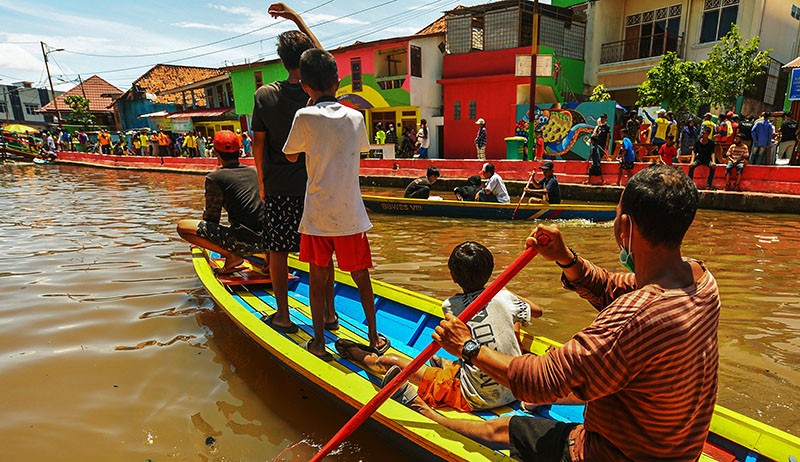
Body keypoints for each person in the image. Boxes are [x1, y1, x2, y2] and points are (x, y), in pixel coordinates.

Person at [423, 164, 720, 461]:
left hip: (613, 454)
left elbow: (538, 382)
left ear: (625, 227)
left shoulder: (633, 318)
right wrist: (566, 259)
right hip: (674, 449)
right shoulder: (701, 279)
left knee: (508, 427)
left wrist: (468, 347)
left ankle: (433, 422)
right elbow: (614, 288)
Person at [335, 241, 540, 412]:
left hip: (476, 397)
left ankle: (357, 354)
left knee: (391, 361)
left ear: (452, 276)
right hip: (516, 388)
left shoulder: (450, 306)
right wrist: (502, 290)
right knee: (442, 357)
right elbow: (536, 311)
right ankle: (446, 368)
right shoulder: (504, 297)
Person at [284, 48, 388, 360]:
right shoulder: (356, 117)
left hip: (317, 215)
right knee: (362, 279)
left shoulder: (303, 116)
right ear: (337, 82)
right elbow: (363, 149)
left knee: (317, 281)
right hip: (351, 216)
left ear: (305, 86)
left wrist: (307, 110)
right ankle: (373, 335)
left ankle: (318, 341)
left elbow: (290, 155)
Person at [252, 3, 323, 335]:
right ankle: (329, 314)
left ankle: (283, 315)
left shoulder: (265, 95)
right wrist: (296, 18)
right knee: (319, 252)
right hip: (314, 185)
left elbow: (258, 144)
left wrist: (261, 181)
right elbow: (324, 57)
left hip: (279, 186)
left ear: (281, 60)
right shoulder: (317, 93)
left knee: (277, 251)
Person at [176, 130, 264, 274]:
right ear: (239, 151)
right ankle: (269, 259)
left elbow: (212, 217)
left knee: (182, 226)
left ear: (216, 153)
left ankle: (232, 256)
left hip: (244, 242)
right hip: (270, 242)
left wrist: (202, 241)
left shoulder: (215, 178)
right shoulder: (255, 171)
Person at [688, 125, 717, 189]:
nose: (702, 134)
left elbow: (712, 153)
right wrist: (692, 161)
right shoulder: (698, 142)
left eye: (704, 133)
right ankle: (690, 184)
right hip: (699, 159)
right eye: (702, 133)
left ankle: (708, 185)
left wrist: (713, 161)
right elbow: (694, 152)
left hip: (707, 160)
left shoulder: (711, 143)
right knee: (691, 167)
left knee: (713, 167)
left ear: (708, 134)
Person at [587, 113, 609, 184]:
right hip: (598, 144)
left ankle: (602, 180)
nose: (602, 119)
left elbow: (608, 136)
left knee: (597, 164)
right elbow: (594, 134)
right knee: (591, 170)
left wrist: (607, 145)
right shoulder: (598, 127)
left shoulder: (607, 127)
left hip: (602, 144)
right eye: (601, 118)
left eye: (603, 118)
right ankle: (589, 181)